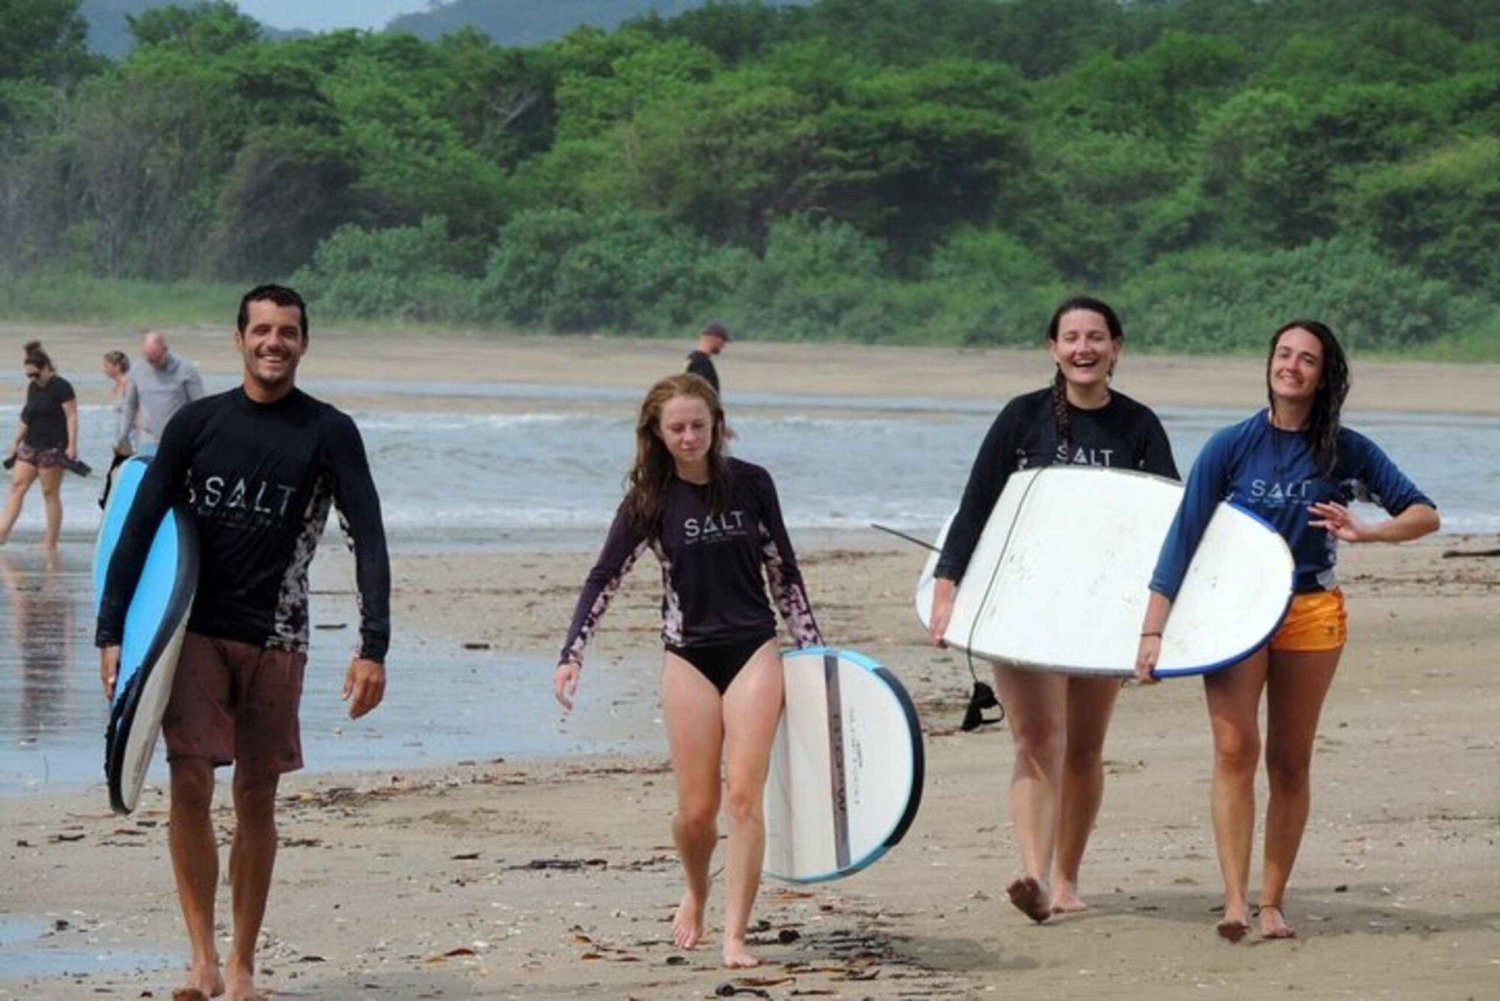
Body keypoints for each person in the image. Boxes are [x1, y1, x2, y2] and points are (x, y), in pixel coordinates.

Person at [96, 285, 391, 1001]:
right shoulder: (198, 423)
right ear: (239, 339)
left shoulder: (329, 431)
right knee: (190, 781)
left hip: (278, 635)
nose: (273, 342)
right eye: (261, 329)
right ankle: (201, 957)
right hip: (192, 628)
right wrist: (112, 630)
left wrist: (372, 643)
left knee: (257, 795)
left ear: (303, 343)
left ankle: (242, 966)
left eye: (287, 331)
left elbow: (368, 537)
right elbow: (139, 526)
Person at [1136, 320, 1439, 943]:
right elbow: (1182, 539)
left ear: (1323, 375)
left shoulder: (1345, 451)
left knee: (1290, 762)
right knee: (1232, 750)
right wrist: (1152, 632)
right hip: (1233, 614)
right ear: (1269, 363)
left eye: (1307, 359)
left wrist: (1368, 531)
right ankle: (1233, 902)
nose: (1292, 366)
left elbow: (1424, 515)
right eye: (1283, 354)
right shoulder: (1230, 446)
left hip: (1310, 610)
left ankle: (1271, 903)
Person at [553, 372, 822, 969]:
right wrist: (572, 655)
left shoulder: (752, 484)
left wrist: (817, 653)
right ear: (657, 431)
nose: (689, 436)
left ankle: (734, 935)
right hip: (688, 656)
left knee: (744, 797)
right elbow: (605, 579)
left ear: (716, 425)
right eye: (676, 427)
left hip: (754, 649)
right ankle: (696, 889)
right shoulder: (649, 500)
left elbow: (784, 572)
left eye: (699, 425)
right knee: (697, 811)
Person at [928, 296, 1177, 922]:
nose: (1083, 348)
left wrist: (1157, 620)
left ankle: (1067, 880)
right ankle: (1033, 875)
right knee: (1037, 736)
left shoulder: (1139, 426)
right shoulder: (1022, 418)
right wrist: (946, 584)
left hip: (1101, 609)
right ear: (1052, 348)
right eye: (1071, 337)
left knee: (1085, 747)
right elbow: (977, 502)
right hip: (1022, 601)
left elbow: (1166, 521)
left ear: (1117, 347)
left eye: (1096, 337)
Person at [1, 342, 78, 549]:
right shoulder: (33, 388)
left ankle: (50, 541)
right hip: (30, 445)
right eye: (28, 376)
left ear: (46, 368)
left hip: (53, 447)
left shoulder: (62, 386)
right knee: (17, 487)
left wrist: (72, 445)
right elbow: (26, 416)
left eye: (35, 374)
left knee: (49, 493)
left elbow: (71, 416)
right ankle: (2, 533)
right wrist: (15, 442)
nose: (32, 379)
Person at [119, 330, 205, 452]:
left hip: (180, 439)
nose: (153, 364)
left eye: (156, 358)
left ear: (165, 350)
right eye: (149, 359)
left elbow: (200, 405)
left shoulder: (186, 370)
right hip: (148, 440)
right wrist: (123, 434)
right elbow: (130, 404)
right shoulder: (136, 370)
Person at [99, 350, 135, 509]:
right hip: (120, 442)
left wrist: (125, 440)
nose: (104, 369)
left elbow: (133, 412)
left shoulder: (128, 383)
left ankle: (116, 509)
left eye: (106, 366)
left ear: (117, 366)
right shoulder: (118, 386)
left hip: (129, 441)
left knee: (113, 479)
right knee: (114, 478)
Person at [685, 320, 730, 395]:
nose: (724, 345)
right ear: (714, 337)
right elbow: (701, 394)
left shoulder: (692, 358)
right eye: (723, 340)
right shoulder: (701, 362)